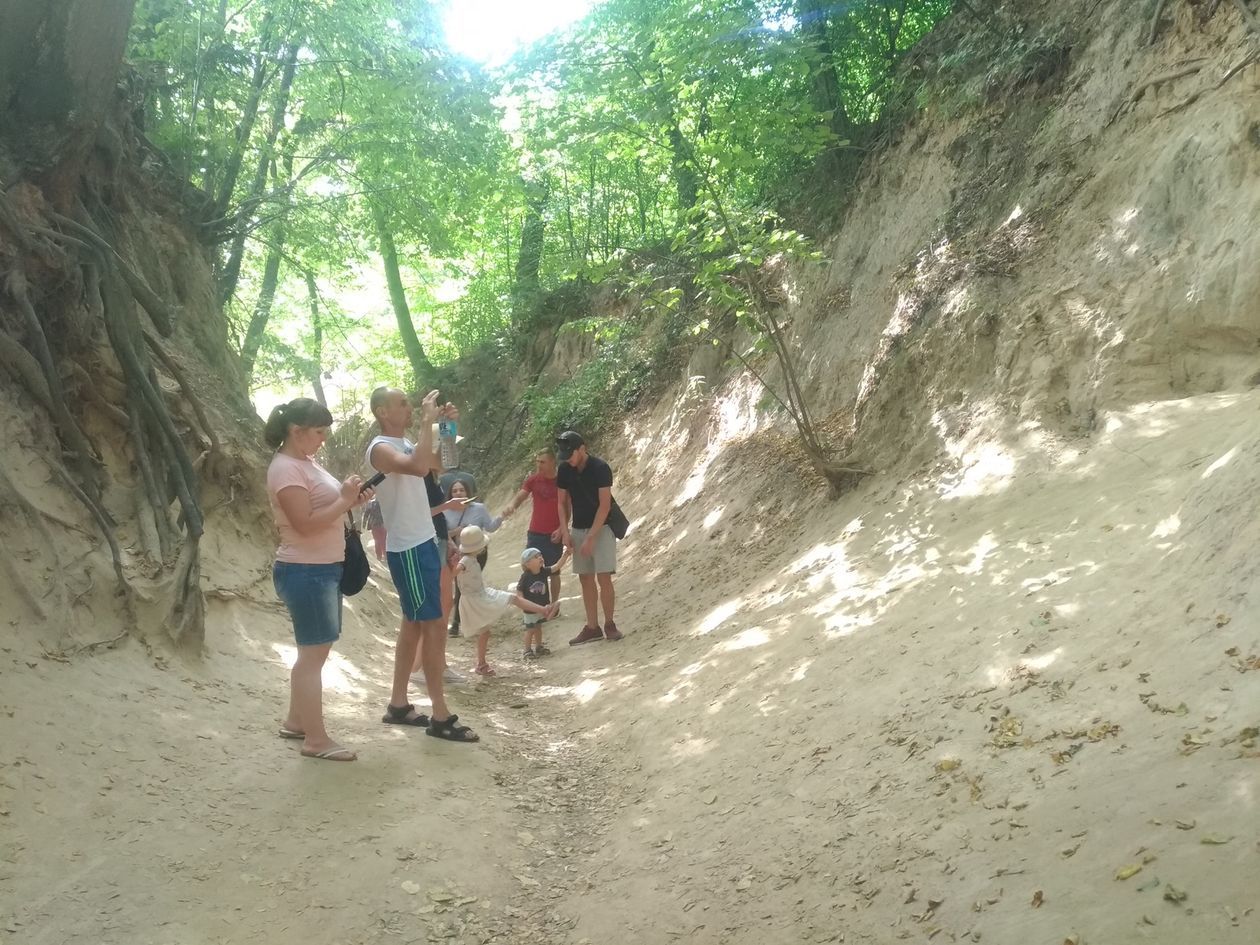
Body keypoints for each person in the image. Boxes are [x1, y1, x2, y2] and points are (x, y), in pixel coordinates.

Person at [367, 386, 478, 743]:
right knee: (433, 625)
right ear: (383, 412)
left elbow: (444, 464)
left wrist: (446, 427)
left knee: (414, 624)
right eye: (402, 403)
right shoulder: (380, 448)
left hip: (424, 543)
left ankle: (398, 704)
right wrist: (428, 419)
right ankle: (440, 715)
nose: (410, 407)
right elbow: (417, 467)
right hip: (409, 549)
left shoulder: (406, 444)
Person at [265, 397, 372, 762]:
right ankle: (315, 739)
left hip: (321, 568)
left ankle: (297, 722)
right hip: (306, 570)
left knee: (314, 653)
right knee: (311, 658)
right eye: (319, 432)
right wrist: (345, 500)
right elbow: (304, 524)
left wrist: (350, 500)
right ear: (297, 431)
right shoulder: (285, 469)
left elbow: (325, 510)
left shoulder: (304, 462)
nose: (324, 439)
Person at [452, 526, 556, 676]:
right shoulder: (466, 560)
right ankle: (544, 610)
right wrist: (454, 569)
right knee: (510, 602)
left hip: (480, 595)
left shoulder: (470, 559)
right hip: (475, 599)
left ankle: (481, 664)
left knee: (490, 626)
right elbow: (455, 571)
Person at [555, 430, 623, 644]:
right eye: (564, 456)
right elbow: (561, 502)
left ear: (582, 449)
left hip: (602, 527)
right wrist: (564, 530)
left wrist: (591, 537)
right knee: (585, 577)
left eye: (570, 455)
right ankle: (592, 627)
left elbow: (604, 505)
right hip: (578, 527)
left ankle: (610, 624)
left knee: (604, 576)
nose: (568, 459)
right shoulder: (564, 469)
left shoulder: (600, 468)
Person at [502, 450, 564, 607]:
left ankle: (553, 605)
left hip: (554, 534)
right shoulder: (533, 480)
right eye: (537, 461)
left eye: (542, 462)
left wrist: (562, 529)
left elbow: (567, 508)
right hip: (535, 533)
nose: (538, 465)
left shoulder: (562, 482)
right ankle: (533, 605)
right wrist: (512, 505)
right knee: (529, 569)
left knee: (554, 572)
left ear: (552, 462)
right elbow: (521, 495)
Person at [445, 479, 503, 637]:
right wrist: (457, 531)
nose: (458, 493)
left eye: (461, 490)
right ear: (450, 494)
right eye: (455, 491)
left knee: (468, 586)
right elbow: (442, 534)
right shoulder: (446, 511)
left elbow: (490, 527)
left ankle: (459, 623)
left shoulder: (479, 508)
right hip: (456, 554)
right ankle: (463, 621)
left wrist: (502, 516)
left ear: (467, 492)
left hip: (478, 554)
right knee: (460, 586)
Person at [517, 546, 570, 659]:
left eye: (540, 555)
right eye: (536, 557)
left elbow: (557, 566)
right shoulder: (525, 577)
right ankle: (527, 650)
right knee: (530, 630)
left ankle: (539, 646)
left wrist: (565, 555)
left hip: (541, 607)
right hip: (530, 610)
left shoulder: (543, 572)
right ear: (527, 564)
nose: (540, 557)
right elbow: (519, 590)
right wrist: (522, 603)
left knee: (538, 628)